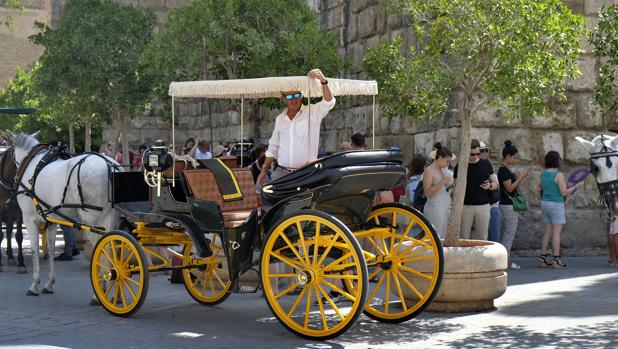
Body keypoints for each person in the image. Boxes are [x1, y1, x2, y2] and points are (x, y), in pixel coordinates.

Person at [258, 68, 334, 185]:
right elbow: (273, 148)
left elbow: (329, 102)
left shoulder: (313, 112)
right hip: (280, 174)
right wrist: (263, 170)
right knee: (277, 203)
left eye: (296, 95)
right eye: (289, 97)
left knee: (303, 203)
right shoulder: (279, 119)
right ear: (283, 100)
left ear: (301, 96)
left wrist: (323, 81)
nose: (293, 99)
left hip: (305, 174)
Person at [538, 151, 583, 268]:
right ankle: (556, 260)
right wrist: (576, 186)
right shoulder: (558, 175)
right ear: (556, 161)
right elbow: (564, 192)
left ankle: (542, 259)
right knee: (556, 232)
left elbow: (539, 189)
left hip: (545, 203)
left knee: (547, 231)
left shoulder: (543, 174)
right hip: (556, 205)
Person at [454, 139, 499, 240]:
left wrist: (490, 186)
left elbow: (496, 184)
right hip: (465, 206)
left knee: (483, 237)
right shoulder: (460, 166)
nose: (475, 156)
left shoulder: (486, 163)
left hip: (483, 206)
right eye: (472, 154)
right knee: (463, 237)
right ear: (466, 152)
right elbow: (455, 188)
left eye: (478, 153)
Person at [497, 140, 529, 270]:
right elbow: (509, 188)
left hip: (507, 205)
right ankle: (505, 260)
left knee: (507, 233)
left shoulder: (505, 169)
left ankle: (504, 259)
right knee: (509, 233)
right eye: (514, 157)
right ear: (508, 156)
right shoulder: (503, 170)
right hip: (508, 205)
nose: (516, 160)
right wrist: (521, 178)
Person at [422, 142, 454, 238]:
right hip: (434, 208)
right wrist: (443, 181)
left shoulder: (446, 171)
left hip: (446, 207)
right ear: (440, 157)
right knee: (434, 238)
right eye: (446, 161)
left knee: (444, 238)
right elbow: (428, 193)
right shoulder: (429, 170)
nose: (448, 164)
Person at [480, 141, 501, 243]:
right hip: (482, 205)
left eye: (486, 150)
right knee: (483, 235)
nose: (484, 153)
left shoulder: (488, 164)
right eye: (481, 151)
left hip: (493, 205)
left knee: (494, 235)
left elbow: (496, 184)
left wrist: (491, 185)